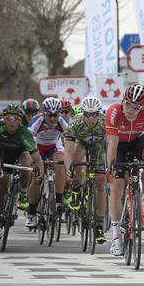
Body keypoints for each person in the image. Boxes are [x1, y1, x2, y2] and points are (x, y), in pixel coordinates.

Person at [105, 84, 144, 256]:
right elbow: (112, 143)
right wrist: (111, 168)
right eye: (128, 104)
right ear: (123, 100)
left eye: (136, 107)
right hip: (119, 145)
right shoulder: (114, 111)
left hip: (138, 141)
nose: (130, 109)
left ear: (143, 107)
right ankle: (116, 236)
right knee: (117, 186)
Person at [0, 104, 44, 232]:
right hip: (4, 155)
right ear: (4, 120)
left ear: (20, 121)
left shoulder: (24, 133)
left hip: (21, 153)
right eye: (8, 119)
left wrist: (40, 175)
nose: (11, 122)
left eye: (15, 119)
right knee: (3, 186)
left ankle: (24, 192)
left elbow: (37, 159)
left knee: (26, 164)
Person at [63, 96, 107, 244]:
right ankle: (75, 188)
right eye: (87, 114)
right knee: (78, 157)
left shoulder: (105, 122)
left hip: (100, 147)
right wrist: (69, 167)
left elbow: (113, 144)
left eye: (94, 114)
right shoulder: (75, 122)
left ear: (98, 113)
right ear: (83, 113)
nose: (91, 118)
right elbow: (68, 151)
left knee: (100, 183)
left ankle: (99, 225)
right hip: (82, 144)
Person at [28, 98, 69, 216]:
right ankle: (31, 211)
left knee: (60, 165)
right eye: (49, 115)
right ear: (43, 113)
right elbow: (29, 142)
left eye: (55, 115)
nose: (52, 118)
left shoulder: (63, 121)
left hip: (54, 146)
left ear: (59, 114)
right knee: (38, 178)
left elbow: (71, 138)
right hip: (37, 147)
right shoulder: (36, 121)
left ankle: (59, 201)